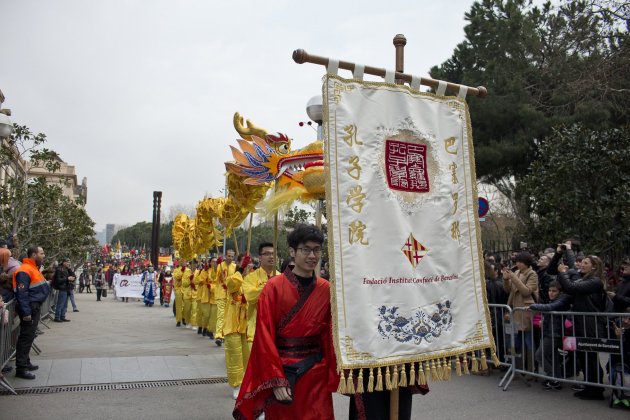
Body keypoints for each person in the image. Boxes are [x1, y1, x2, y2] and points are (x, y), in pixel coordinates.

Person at [233, 225, 338, 420]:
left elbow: (330, 336)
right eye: (306, 249)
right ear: (292, 251)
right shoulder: (273, 287)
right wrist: (276, 379)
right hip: (283, 373)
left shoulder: (326, 289)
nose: (312, 255)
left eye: (317, 250)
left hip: (316, 374)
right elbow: (264, 336)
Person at [556, 255, 608, 400]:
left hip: (590, 326)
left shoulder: (595, 281)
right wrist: (565, 252)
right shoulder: (584, 278)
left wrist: (563, 273)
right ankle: (590, 386)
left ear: (594, 267)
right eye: (582, 262)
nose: (581, 265)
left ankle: (596, 389)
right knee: (584, 357)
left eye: (586, 263)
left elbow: (571, 287)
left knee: (590, 357)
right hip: (581, 324)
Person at [13, 246, 50, 379]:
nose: (44, 255)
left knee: (29, 336)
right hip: (30, 307)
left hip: (33, 306)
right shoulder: (24, 270)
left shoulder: (31, 268)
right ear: (34, 255)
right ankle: (21, 368)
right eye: (42, 253)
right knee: (26, 337)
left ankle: (26, 362)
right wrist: (27, 312)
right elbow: (22, 294)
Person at [529, 280, 572, 390]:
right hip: (550, 332)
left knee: (539, 355)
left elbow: (550, 308)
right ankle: (557, 379)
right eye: (549, 290)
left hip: (555, 333)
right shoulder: (554, 299)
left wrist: (533, 306)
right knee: (554, 357)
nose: (551, 293)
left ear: (559, 292)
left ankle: (553, 378)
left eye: (554, 291)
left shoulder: (562, 300)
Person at [502, 252, 539, 371]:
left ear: (526, 263)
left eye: (520, 262)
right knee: (514, 342)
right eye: (516, 261)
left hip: (526, 312)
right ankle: (516, 368)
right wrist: (506, 280)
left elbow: (526, 291)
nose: (517, 264)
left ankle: (531, 369)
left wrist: (513, 278)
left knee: (529, 343)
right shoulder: (516, 273)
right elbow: (508, 291)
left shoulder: (532, 274)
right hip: (514, 311)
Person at [224, 255, 253, 399]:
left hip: (248, 325)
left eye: (250, 264)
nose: (249, 266)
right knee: (235, 356)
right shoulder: (233, 277)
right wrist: (241, 269)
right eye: (246, 264)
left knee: (248, 358)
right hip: (233, 324)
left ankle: (247, 383)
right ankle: (236, 385)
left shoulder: (253, 278)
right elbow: (231, 285)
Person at [243, 242, 279, 350]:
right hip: (255, 330)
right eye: (267, 253)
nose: (271, 256)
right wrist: (269, 286)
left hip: (276, 332)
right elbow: (250, 297)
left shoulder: (282, 277)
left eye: (273, 253)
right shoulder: (251, 277)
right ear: (260, 257)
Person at [215, 250, 236, 347]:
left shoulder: (234, 267)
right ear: (225, 256)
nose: (230, 258)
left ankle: (224, 334)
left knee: (227, 316)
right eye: (228, 256)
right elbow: (214, 276)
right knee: (220, 315)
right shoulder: (220, 265)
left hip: (230, 295)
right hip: (221, 294)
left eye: (232, 256)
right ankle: (218, 335)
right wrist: (216, 265)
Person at [173, 262, 186, 326]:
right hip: (178, 289)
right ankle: (178, 320)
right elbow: (177, 278)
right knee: (178, 306)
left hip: (186, 290)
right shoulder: (176, 270)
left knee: (186, 305)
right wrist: (182, 271)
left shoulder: (188, 270)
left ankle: (184, 318)